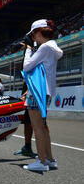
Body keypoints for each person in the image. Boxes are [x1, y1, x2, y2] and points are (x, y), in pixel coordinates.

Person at [21, 19, 63, 171]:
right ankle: (50, 159)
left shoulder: (44, 47)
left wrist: (28, 50)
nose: (32, 38)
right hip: (47, 91)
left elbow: (26, 67)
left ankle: (41, 161)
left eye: (32, 35)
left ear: (38, 33)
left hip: (37, 91)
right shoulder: (52, 47)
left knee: (37, 127)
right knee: (44, 127)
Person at [13, 81, 37, 158]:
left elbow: (33, 80)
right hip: (29, 97)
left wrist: (26, 94)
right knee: (27, 122)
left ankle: (44, 154)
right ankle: (27, 147)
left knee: (36, 124)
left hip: (32, 97)